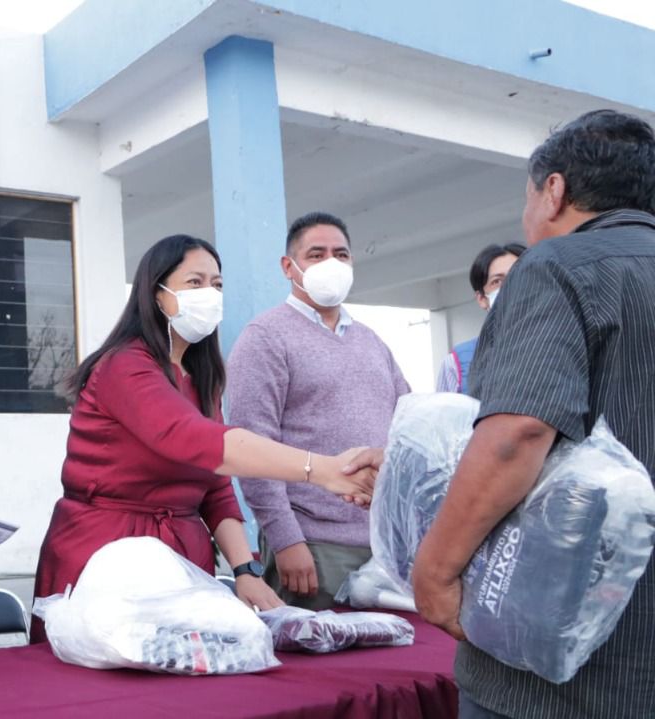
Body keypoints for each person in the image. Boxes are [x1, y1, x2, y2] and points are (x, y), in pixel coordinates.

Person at [411, 109, 655, 718]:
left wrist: (435, 574)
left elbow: (516, 436)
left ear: (554, 191)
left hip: (568, 665)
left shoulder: (557, 266)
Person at [32, 234, 378, 642]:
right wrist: (320, 469)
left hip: (180, 558)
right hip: (107, 555)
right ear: (157, 293)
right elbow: (192, 439)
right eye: (194, 283)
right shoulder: (124, 366)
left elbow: (216, 488)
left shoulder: (201, 379)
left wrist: (244, 570)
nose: (209, 294)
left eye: (216, 285)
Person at [226, 213, 410, 610]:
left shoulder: (372, 341)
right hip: (314, 548)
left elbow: (407, 428)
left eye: (341, 255)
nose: (332, 264)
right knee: (327, 666)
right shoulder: (265, 338)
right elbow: (252, 447)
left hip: (384, 548)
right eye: (317, 253)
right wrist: (286, 539)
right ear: (288, 266)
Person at [435, 243, 526, 393]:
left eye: (518, 275)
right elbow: (445, 415)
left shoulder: (563, 343)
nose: (510, 286)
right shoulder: (456, 363)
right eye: (497, 282)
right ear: (482, 299)